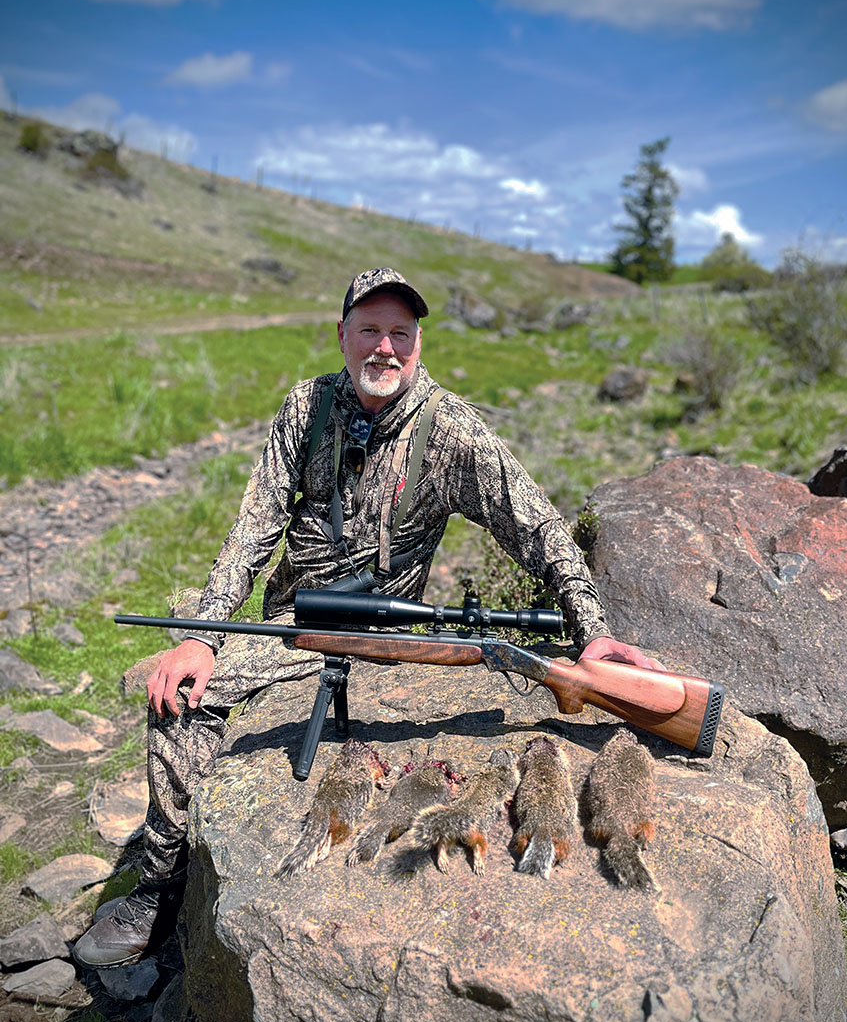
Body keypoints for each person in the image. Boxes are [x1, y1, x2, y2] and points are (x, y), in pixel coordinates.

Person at [74, 267, 662, 968]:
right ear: (343, 334)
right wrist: (204, 635)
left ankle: (165, 873)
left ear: (418, 344)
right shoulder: (307, 408)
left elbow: (538, 529)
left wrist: (591, 632)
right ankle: (162, 888)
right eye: (370, 331)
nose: (384, 348)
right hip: (293, 620)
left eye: (400, 335)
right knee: (180, 693)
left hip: (386, 630)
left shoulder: (451, 430)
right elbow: (254, 529)